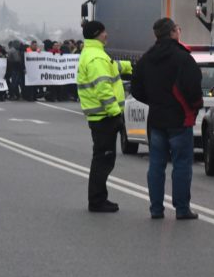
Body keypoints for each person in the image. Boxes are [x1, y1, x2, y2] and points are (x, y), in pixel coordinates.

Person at [131, 18, 203, 220]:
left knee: (156, 164)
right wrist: (194, 107)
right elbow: (193, 88)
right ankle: (181, 209)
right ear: (172, 33)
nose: (179, 32)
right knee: (181, 165)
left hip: (156, 119)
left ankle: (156, 209)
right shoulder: (182, 58)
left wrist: (154, 101)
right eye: (178, 29)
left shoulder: (147, 58)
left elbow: (136, 88)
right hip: (180, 119)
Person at [77, 21, 132, 213]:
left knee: (102, 159)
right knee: (103, 160)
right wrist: (116, 114)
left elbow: (112, 67)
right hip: (104, 117)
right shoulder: (96, 58)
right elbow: (103, 87)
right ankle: (97, 201)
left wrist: (129, 66)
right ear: (97, 34)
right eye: (104, 32)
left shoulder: (95, 54)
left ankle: (99, 198)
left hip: (100, 117)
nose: (107, 34)